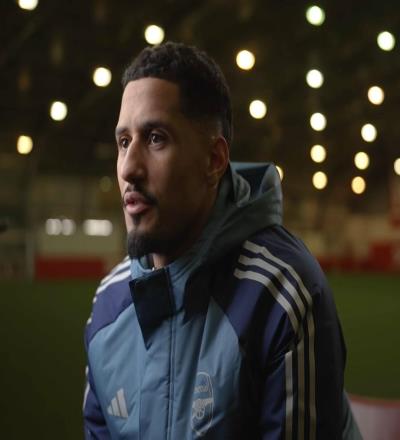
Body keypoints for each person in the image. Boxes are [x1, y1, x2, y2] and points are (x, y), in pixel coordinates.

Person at [83, 41, 360, 439]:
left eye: (156, 138)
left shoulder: (280, 294)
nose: (129, 168)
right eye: (124, 142)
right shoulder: (108, 305)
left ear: (214, 161)